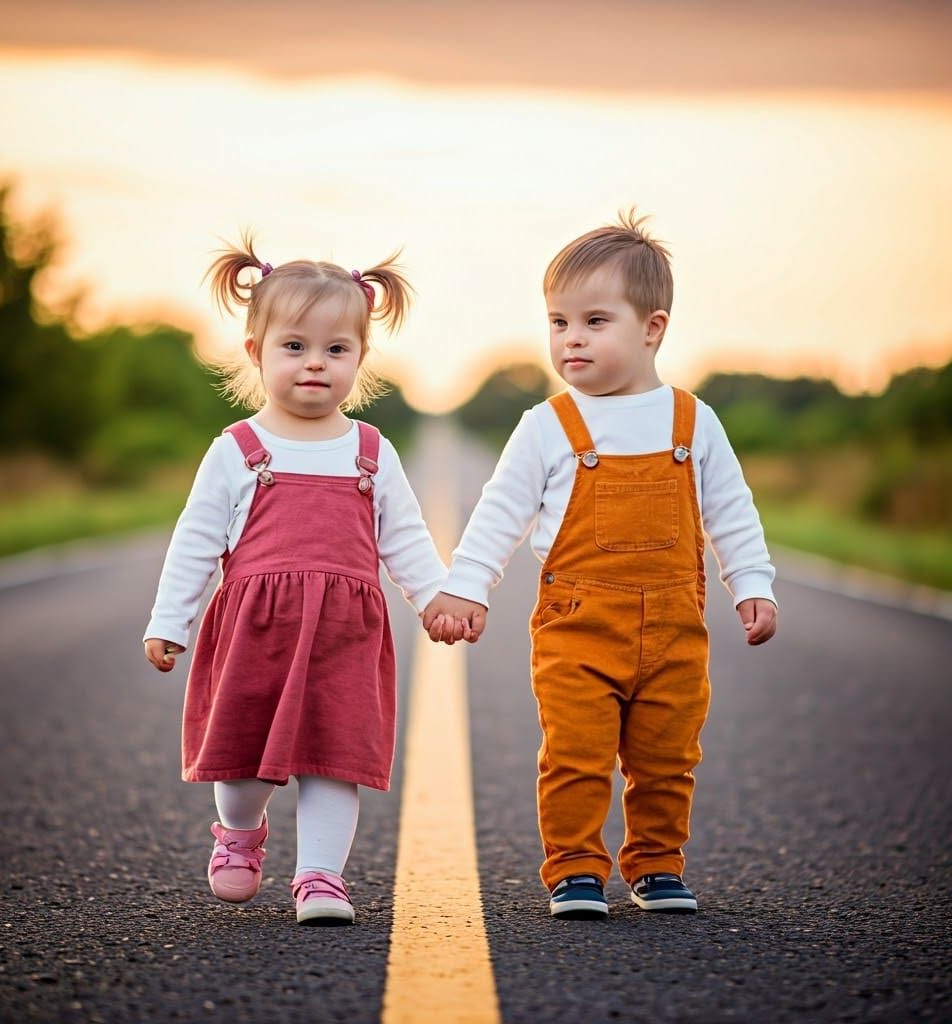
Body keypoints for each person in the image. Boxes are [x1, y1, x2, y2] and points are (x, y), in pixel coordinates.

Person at [423, 209, 778, 918]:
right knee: (577, 754)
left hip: (675, 630)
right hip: (577, 628)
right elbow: (499, 512)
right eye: (557, 322)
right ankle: (576, 869)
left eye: (593, 320)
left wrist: (752, 583)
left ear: (652, 328)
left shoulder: (692, 419)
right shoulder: (550, 424)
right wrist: (467, 586)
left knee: (668, 758)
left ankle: (656, 865)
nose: (571, 338)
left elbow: (731, 511)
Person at [144, 237, 454, 925]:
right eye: (295, 347)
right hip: (258, 633)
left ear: (359, 359)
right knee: (242, 763)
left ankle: (320, 878)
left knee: (334, 758)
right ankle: (240, 832)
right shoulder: (238, 449)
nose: (316, 362)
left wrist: (435, 599)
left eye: (336, 349)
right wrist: (170, 620)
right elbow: (195, 541)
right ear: (255, 352)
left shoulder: (370, 451)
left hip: (344, 634)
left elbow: (403, 535)